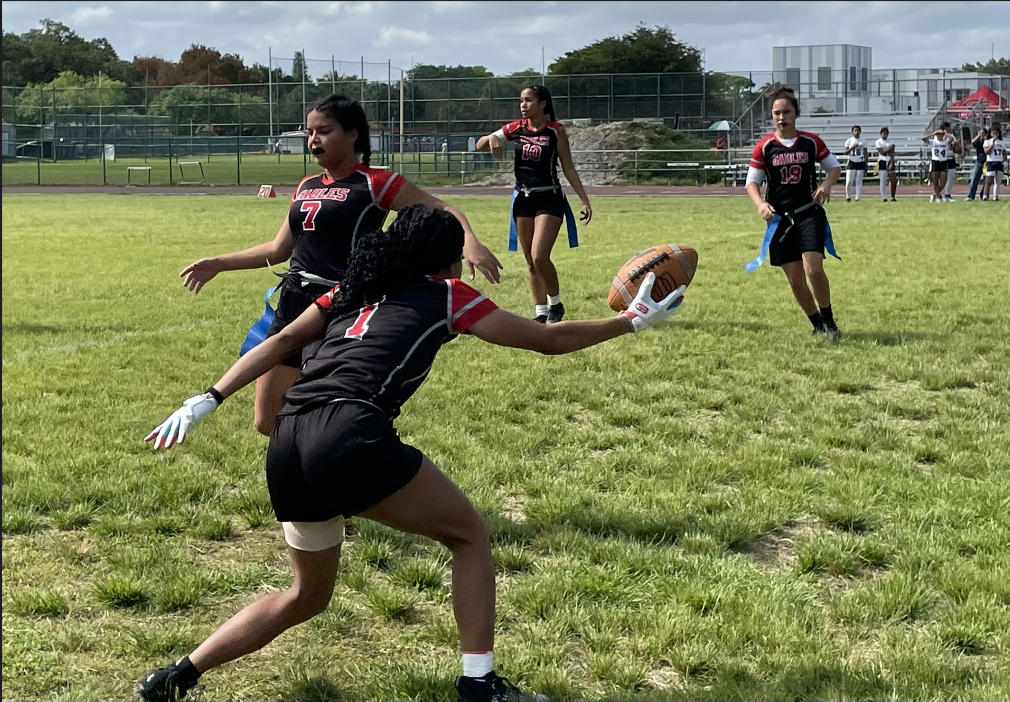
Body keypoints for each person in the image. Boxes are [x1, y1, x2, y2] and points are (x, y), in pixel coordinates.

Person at [137, 204, 686, 702]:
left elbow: (279, 343)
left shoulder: (350, 290)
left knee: (306, 595)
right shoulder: (448, 294)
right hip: (347, 433)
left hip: (288, 440)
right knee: (468, 535)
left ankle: (176, 676)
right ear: (447, 261)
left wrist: (205, 400)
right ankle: (480, 685)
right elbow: (546, 338)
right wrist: (628, 322)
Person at [178, 94, 503, 436]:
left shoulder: (377, 182)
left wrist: (469, 240)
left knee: (324, 410)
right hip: (293, 299)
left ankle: (325, 463)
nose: (313, 139)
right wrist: (219, 263)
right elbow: (278, 249)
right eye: (309, 132)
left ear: (353, 134)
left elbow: (441, 208)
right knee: (266, 421)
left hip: (340, 305)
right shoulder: (306, 185)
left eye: (324, 130)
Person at [475, 85, 593, 325]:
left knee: (540, 256)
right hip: (522, 200)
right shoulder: (516, 128)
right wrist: (491, 138)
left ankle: (555, 304)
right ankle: (540, 313)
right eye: (521, 100)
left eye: (528, 100)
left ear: (543, 104)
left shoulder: (555, 131)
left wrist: (584, 200)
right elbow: (479, 145)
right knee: (529, 260)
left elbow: (568, 167)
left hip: (549, 197)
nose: (523, 105)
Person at [745, 86, 843, 341]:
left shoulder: (811, 142)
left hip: (808, 213)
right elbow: (751, 182)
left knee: (813, 270)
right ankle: (817, 324)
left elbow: (834, 168)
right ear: (771, 117)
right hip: (780, 220)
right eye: (776, 113)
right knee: (796, 279)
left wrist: (826, 184)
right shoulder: (765, 146)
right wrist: (760, 204)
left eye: (786, 111)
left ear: (796, 113)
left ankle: (830, 321)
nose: (781, 116)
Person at [922, 126, 951, 202]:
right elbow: (923, 139)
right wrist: (932, 134)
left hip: (943, 161)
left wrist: (945, 133)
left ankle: (934, 194)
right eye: (938, 134)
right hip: (935, 161)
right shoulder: (933, 142)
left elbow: (952, 139)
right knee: (935, 181)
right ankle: (938, 197)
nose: (939, 135)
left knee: (943, 181)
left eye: (941, 134)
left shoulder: (945, 142)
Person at [842, 125, 867, 202]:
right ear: (852, 132)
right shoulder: (849, 140)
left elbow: (865, 152)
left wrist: (866, 163)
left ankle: (857, 198)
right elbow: (845, 152)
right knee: (849, 180)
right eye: (855, 130)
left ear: (860, 131)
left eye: (858, 130)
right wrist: (852, 148)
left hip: (860, 161)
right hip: (852, 161)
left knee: (859, 181)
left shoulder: (863, 140)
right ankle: (848, 197)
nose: (856, 132)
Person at [981, 125, 1005, 202]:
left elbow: (1004, 152)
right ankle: (985, 196)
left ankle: (995, 196)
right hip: (991, 162)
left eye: (996, 133)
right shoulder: (987, 141)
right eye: (993, 133)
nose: (995, 135)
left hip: (999, 162)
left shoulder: (1001, 142)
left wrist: (1003, 159)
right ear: (990, 134)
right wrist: (992, 144)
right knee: (989, 181)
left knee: (997, 181)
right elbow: (986, 152)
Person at [965, 126, 989, 201]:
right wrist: (979, 135)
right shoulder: (979, 141)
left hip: (987, 163)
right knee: (974, 179)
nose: (982, 135)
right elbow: (973, 142)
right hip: (979, 162)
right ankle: (971, 196)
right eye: (981, 133)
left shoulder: (988, 141)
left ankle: (984, 195)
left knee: (986, 181)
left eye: (983, 133)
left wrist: (986, 138)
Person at [874, 127, 897, 202]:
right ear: (881, 134)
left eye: (886, 134)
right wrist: (889, 149)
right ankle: (884, 197)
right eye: (884, 134)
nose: (885, 135)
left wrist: (892, 162)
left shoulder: (891, 141)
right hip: (882, 160)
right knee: (883, 180)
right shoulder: (878, 142)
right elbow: (882, 152)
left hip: (890, 160)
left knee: (893, 180)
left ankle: (893, 196)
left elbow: (892, 153)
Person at [943, 122, 960, 201]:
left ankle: (947, 194)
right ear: (946, 128)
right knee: (942, 178)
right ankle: (938, 194)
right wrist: (945, 133)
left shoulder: (951, 135)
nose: (951, 129)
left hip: (951, 157)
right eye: (949, 127)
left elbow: (955, 145)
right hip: (942, 158)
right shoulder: (940, 136)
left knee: (951, 177)